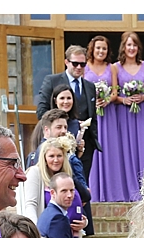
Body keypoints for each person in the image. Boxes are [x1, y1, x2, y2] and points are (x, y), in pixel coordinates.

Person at [103, 30, 144, 202]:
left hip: (143, 114)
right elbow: (113, 93)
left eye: (134, 44)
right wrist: (123, 99)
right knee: (125, 151)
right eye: (129, 44)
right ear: (123, 47)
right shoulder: (115, 67)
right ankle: (127, 191)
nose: (132, 48)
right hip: (123, 115)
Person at [36, 45, 101, 181]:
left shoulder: (90, 86)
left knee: (82, 183)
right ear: (66, 62)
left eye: (82, 64)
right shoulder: (52, 80)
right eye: (75, 63)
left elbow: (92, 115)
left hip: (84, 145)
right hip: (57, 144)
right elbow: (42, 111)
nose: (79, 67)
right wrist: (59, 127)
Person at [83, 35, 117, 202]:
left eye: (104, 48)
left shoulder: (112, 68)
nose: (101, 51)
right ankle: (93, 191)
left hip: (108, 114)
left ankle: (111, 190)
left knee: (109, 149)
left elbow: (116, 92)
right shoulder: (85, 67)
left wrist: (106, 100)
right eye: (98, 48)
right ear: (92, 49)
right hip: (90, 113)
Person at [38, 172, 86, 238]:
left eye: (72, 190)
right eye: (64, 191)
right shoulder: (57, 218)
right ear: (52, 193)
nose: (69, 195)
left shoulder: (48, 213)